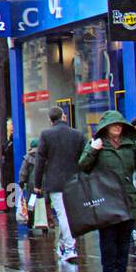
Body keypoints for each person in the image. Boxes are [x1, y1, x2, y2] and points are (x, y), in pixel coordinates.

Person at [78, 111, 136, 272]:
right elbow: (83, 166)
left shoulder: (130, 144)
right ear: (106, 128)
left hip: (126, 196)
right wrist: (92, 150)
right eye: (113, 125)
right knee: (108, 239)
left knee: (124, 239)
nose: (117, 128)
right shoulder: (98, 144)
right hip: (106, 197)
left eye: (120, 125)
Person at [34, 105, 87, 262]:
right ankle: (64, 245)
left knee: (63, 215)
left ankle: (70, 247)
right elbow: (85, 158)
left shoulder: (46, 135)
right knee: (70, 215)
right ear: (64, 117)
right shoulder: (77, 135)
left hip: (55, 182)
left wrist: (37, 184)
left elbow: (40, 161)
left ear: (50, 120)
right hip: (74, 181)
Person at [17, 139, 40, 228]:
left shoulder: (27, 158)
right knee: (44, 202)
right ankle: (45, 222)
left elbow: (23, 172)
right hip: (43, 183)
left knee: (31, 203)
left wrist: (21, 182)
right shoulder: (44, 156)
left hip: (32, 184)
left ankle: (30, 222)